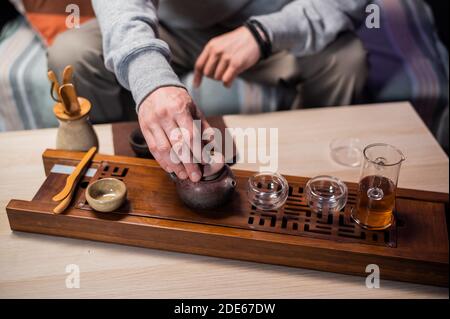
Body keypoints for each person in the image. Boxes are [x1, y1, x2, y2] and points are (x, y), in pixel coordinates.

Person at [48, 0, 369, 183]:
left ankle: (313, 182)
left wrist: (264, 34)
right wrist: (150, 78)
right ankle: (132, 165)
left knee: (348, 59)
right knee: (72, 54)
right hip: (167, 26)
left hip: (275, 21)